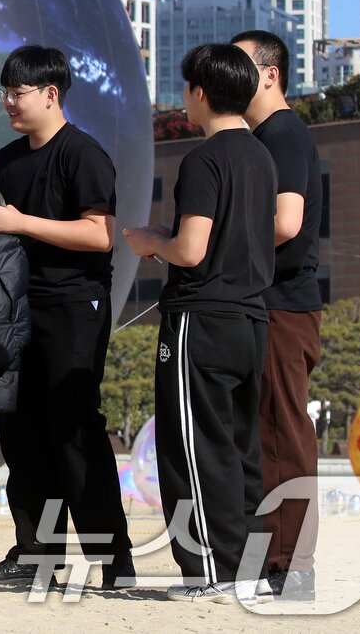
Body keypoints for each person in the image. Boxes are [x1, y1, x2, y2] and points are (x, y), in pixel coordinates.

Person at [0, 45, 133, 590]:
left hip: (73, 307)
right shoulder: (10, 160)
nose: (9, 103)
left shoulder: (83, 154)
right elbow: (2, 230)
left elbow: (100, 234)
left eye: (18, 93)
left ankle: (114, 562)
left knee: (73, 430)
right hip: (17, 309)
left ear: (50, 94)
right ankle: (35, 557)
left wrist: (21, 221)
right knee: (21, 432)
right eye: (5, 93)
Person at [124, 42, 275, 605]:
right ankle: (248, 566)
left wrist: (150, 242)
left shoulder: (205, 159)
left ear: (201, 92)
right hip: (251, 317)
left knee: (192, 446)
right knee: (239, 447)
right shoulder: (261, 156)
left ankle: (212, 570)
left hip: (202, 319)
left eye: (187, 86)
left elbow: (190, 250)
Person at [231, 30, 323, 602]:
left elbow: (286, 223)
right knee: (261, 433)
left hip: (285, 308)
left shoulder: (283, 134)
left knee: (281, 433)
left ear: (269, 74)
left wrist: (214, 245)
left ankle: (291, 567)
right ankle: (272, 559)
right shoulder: (261, 137)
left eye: (241, 67)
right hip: (266, 305)